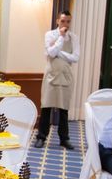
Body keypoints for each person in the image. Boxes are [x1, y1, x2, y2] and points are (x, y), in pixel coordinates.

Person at [34, 10, 80, 150]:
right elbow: (51, 53)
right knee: (46, 107)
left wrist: (58, 53)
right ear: (57, 21)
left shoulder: (74, 38)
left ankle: (64, 139)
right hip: (51, 76)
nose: (66, 24)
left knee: (63, 109)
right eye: (63, 21)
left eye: (68, 21)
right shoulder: (50, 35)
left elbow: (75, 57)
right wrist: (60, 38)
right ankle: (41, 137)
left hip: (66, 76)